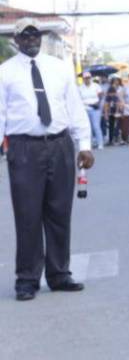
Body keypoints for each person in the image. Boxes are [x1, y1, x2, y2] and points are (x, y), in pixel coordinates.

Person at [0, 18, 94, 300]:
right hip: (24, 148)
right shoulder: (4, 73)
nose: (31, 40)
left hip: (59, 145)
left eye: (35, 35)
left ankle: (59, 274)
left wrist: (85, 145)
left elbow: (74, 107)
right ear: (16, 40)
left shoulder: (59, 68)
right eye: (25, 36)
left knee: (59, 213)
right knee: (28, 215)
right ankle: (27, 279)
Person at [77, 71, 104, 149]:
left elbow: (101, 96)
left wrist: (98, 103)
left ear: (91, 78)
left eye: (88, 78)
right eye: (85, 78)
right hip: (85, 109)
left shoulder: (96, 86)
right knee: (88, 127)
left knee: (96, 126)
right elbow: (78, 99)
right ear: (83, 79)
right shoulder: (80, 88)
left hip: (95, 108)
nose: (87, 79)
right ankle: (90, 143)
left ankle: (100, 143)